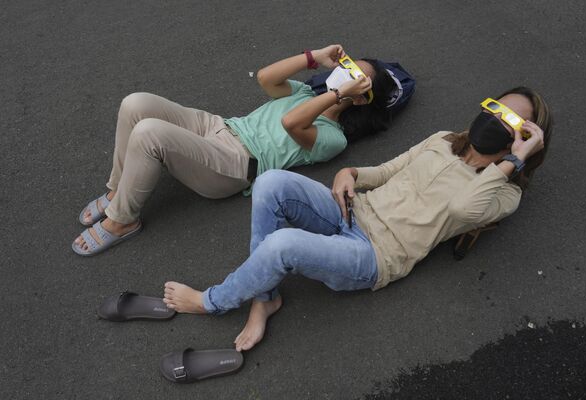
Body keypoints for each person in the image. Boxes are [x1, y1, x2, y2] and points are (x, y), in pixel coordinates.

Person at [162, 87, 553, 352]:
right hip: (354, 210)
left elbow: (461, 211)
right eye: (495, 108)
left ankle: (212, 302)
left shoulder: (505, 194)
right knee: (270, 182)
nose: (496, 120)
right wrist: (350, 175)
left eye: (514, 123)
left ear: (525, 138)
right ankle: (265, 298)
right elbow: (386, 170)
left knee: (282, 245)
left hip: (375, 255)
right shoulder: (444, 140)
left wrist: (512, 161)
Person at [72, 44, 397, 256]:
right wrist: (315, 58)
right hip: (218, 127)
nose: (345, 72)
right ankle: (118, 193)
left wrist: (338, 93)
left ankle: (123, 220)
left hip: (236, 165)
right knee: (135, 104)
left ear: (360, 98)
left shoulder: (334, 137)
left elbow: (290, 124)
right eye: (349, 65)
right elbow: (266, 78)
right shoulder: (304, 94)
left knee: (148, 134)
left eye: (356, 77)